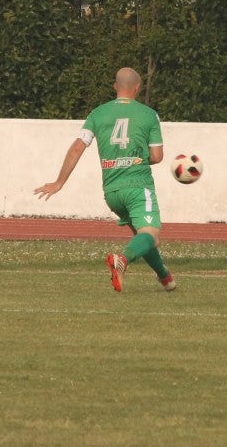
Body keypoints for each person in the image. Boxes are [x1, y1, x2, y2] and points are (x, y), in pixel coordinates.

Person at [34, 67, 176, 293]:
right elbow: (157, 157)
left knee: (142, 237)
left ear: (114, 87)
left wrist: (59, 182)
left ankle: (165, 278)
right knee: (150, 235)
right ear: (137, 88)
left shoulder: (97, 114)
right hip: (138, 187)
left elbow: (77, 147)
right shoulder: (149, 114)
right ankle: (122, 260)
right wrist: (135, 159)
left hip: (112, 192)